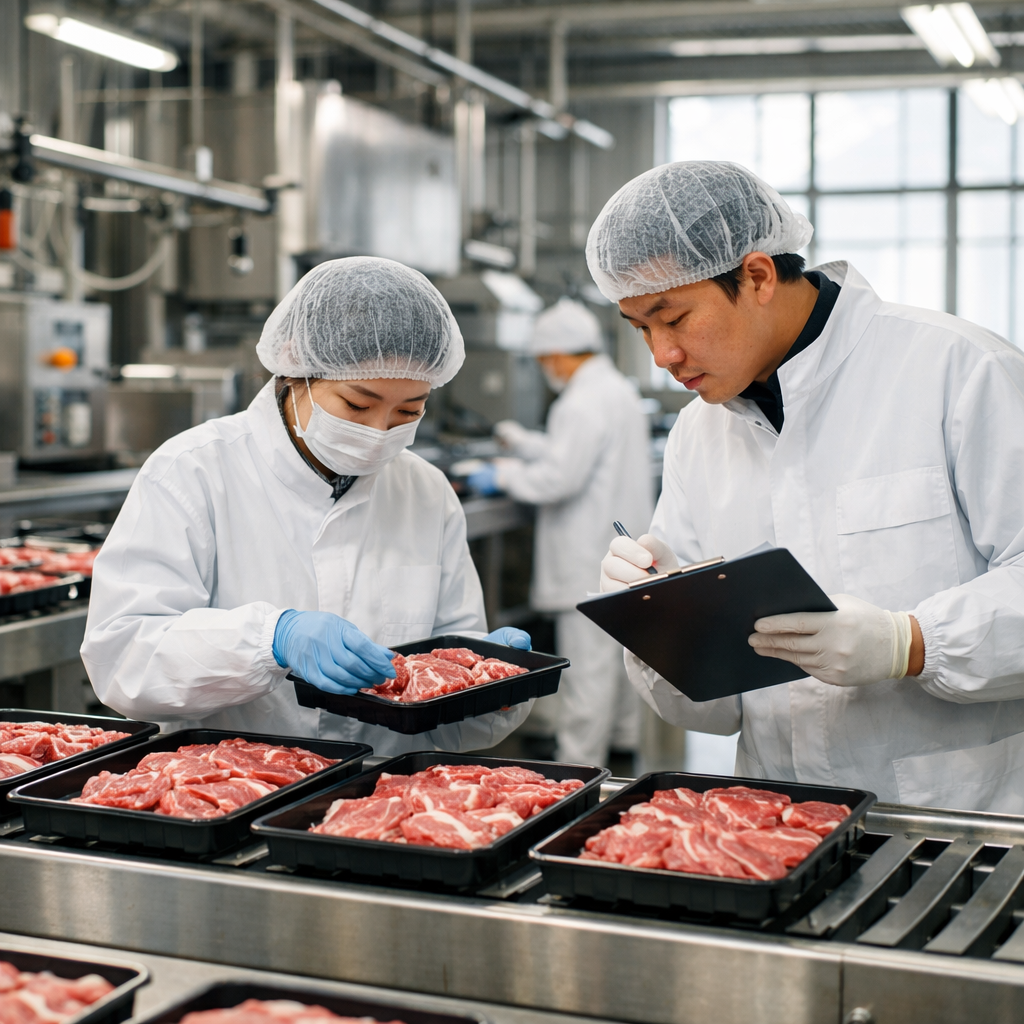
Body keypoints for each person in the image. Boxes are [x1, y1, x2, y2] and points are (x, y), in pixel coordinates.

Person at [593, 160, 1024, 813]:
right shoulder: (698, 432)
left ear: (758, 275)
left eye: (673, 318)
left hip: (961, 818)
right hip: (780, 824)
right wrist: (657, 623)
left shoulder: (959, 371)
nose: (661, 354)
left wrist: (913, 641)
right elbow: (711, 711)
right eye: (640, 327)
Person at [81, 257, 531, 756]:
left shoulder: (425, 491)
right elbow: (123, 660)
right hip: (229, 793)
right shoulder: (193, 471)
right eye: (357, 405)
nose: (379, 431)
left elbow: (448, 721)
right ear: (295, 367)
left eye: (409, 411)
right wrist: (269, 639)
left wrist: (492, 686)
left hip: (379, 803)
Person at [468, 298, 653, 767]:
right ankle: (622, 745)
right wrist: (525, 444)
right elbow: (575, 455)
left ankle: (579, 767)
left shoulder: (580, 401)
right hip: (620, 551)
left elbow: (559, 479)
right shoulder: (614, 390)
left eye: (545, 359)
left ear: (558, 354)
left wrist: (503, 476)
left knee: (589, 671)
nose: (546, 368)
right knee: (619, 662)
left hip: (587, 557)